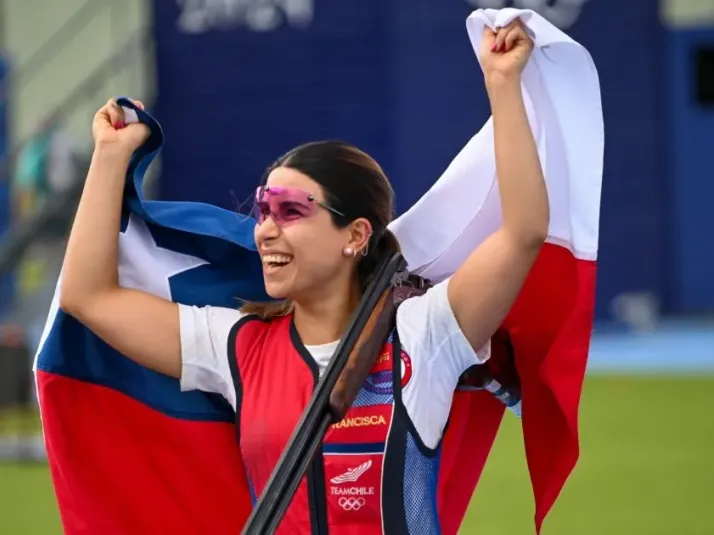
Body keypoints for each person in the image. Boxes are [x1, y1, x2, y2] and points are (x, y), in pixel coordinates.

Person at [59, 20, 546, 534]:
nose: (265, 230)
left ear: (355, 235)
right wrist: (110, 157)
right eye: (264, 210)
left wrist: (502, 84)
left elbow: (524, 233)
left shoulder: (426, 334)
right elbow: (87, 295)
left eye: (291, 211)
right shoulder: (236, 349)